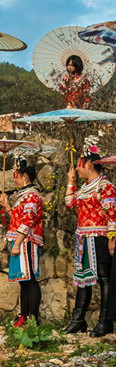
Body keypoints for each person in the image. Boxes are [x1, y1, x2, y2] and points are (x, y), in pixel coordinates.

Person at [63, 143, 116, 336]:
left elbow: (113, 213)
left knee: (104, 278)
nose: (77, 168)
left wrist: (112, 237)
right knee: (83, 278)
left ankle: (106, 321)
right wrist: (71, 181)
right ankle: (78, 320)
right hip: (83, 237)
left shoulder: (105, 186)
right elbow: (69, 203)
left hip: (100, 236)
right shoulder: (85, 188)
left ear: (90, 165)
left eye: (80, 164)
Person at [0, 158, 44, 327]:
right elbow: (18, 219)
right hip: (21, 239)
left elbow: (27, 221)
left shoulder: (32, 196)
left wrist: (17, 243)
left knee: (31, 279)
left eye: (17, 175)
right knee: (23, 280)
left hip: (27, 240)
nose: (14, 179)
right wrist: (9, 207)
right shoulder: (24, 196)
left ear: (25, 176)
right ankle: (24, 315)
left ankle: (33, 318)